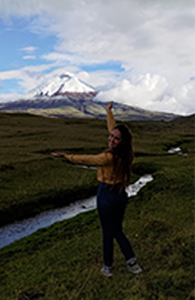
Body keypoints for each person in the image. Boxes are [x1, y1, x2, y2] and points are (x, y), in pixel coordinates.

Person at [51, 101, 142, 277]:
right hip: (121, 195)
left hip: (107, 195)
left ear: (121, 142)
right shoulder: (127, 151)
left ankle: (108, 267)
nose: (111, 139)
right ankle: (132, 263)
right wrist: (109, 112)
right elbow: (112, 128)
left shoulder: (108, 157)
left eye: (115, 138)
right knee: (117, 230)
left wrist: (67, 156)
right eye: (112, 136)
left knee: (108, 232)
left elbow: (88, 159)